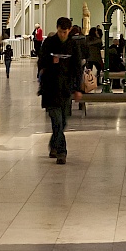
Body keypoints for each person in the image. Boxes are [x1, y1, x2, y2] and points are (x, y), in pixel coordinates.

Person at [39, 17, 83, 164]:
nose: (62, 34)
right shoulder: (49, 43)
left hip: (66, 89)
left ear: (69, 30)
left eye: (65, 32)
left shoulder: (73, 46)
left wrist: (77, 89)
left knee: (63, 121)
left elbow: (78, 68)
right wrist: (50, 64)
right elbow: (41, 62)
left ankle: (54, 145)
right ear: (57, 29)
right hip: (50, 89)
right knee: (56, 120)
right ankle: (62, 152)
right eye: (60, 31)